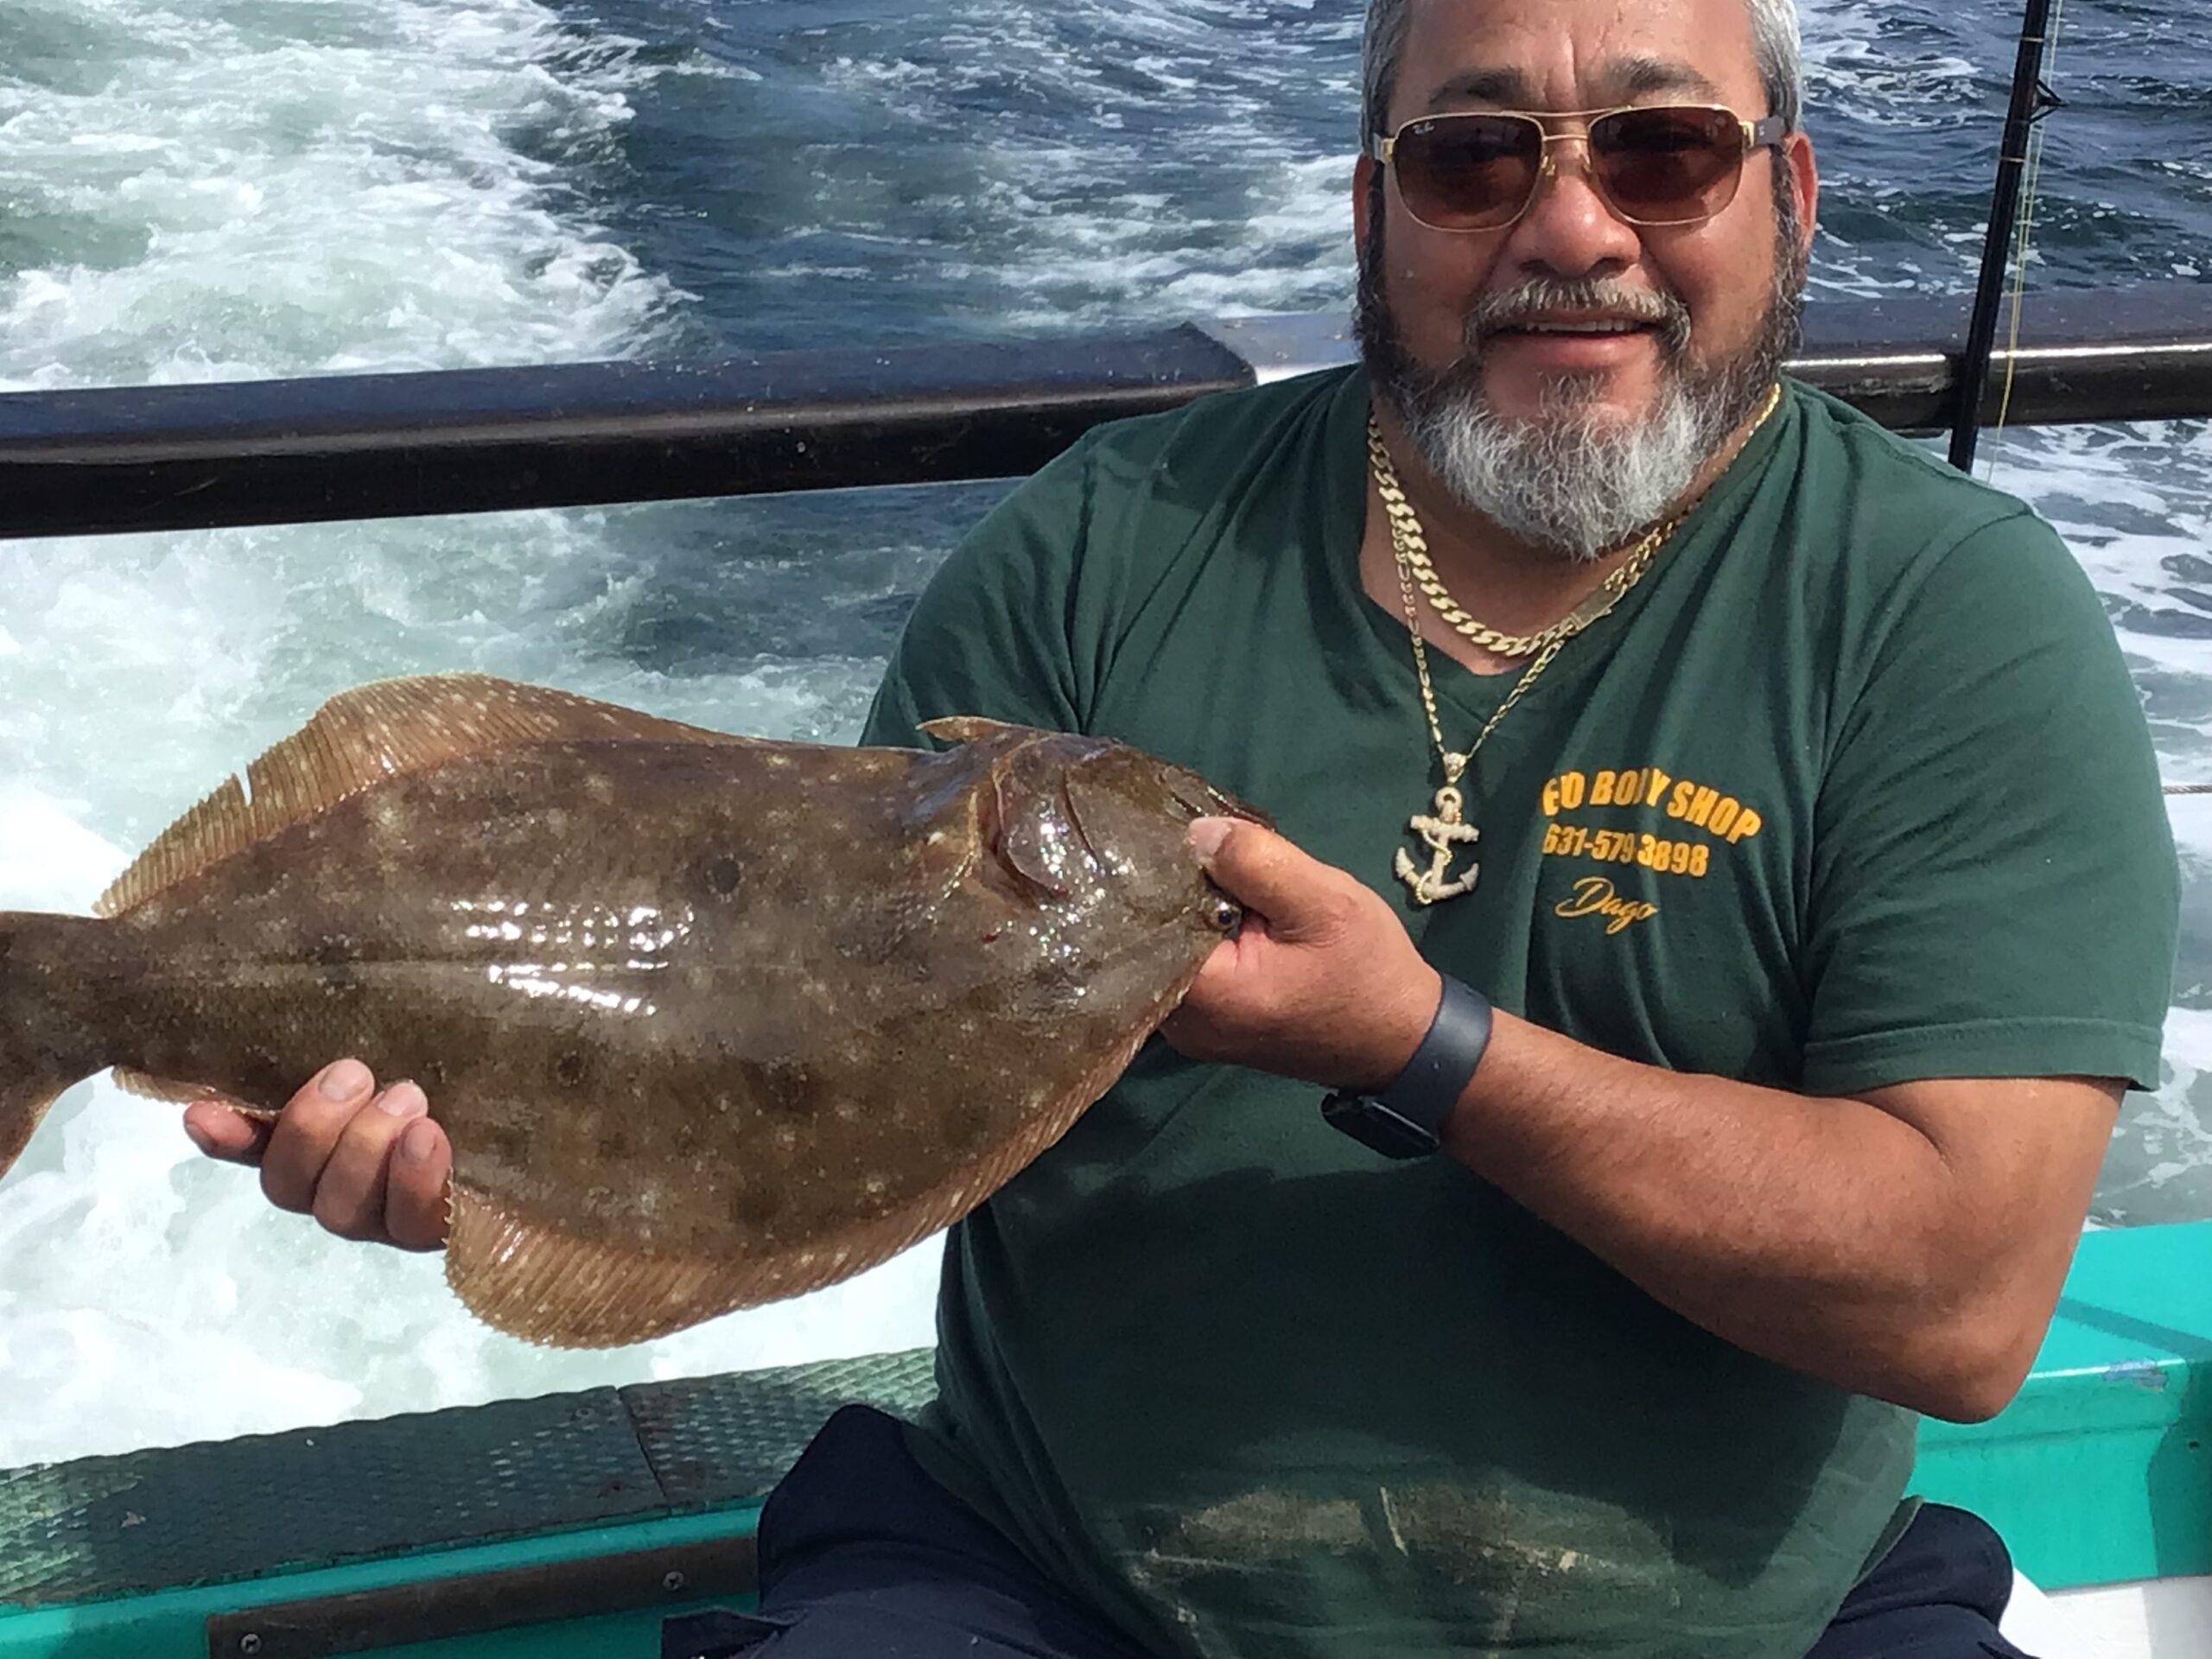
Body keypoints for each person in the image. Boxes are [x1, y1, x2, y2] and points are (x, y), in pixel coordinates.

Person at [184, 0, 2179, 1653]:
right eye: (1471, 159)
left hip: (1751, 1618)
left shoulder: (1940, 615)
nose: (1571, 229)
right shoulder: (1099, 552)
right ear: (1369, 212)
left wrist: (1418, 1049)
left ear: (1789, 196)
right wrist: (493, 1152)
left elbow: (1958, 1298)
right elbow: (791, 1057)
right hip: (1058, 1587)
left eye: (1661, 153)